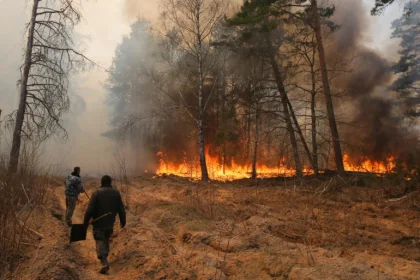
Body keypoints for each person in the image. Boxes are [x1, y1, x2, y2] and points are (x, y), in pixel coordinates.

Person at [84, 175, 126, 274]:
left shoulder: (96, 193)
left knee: (100, 239)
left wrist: (85, 222)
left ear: (101, 182)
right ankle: (105, 255)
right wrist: (123, 220)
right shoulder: (116, 193)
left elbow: (89, 210)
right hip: (110, 222)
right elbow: (121, 208)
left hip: (98, 222)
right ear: (110, 182)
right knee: (106, 237)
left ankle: (104, 261)